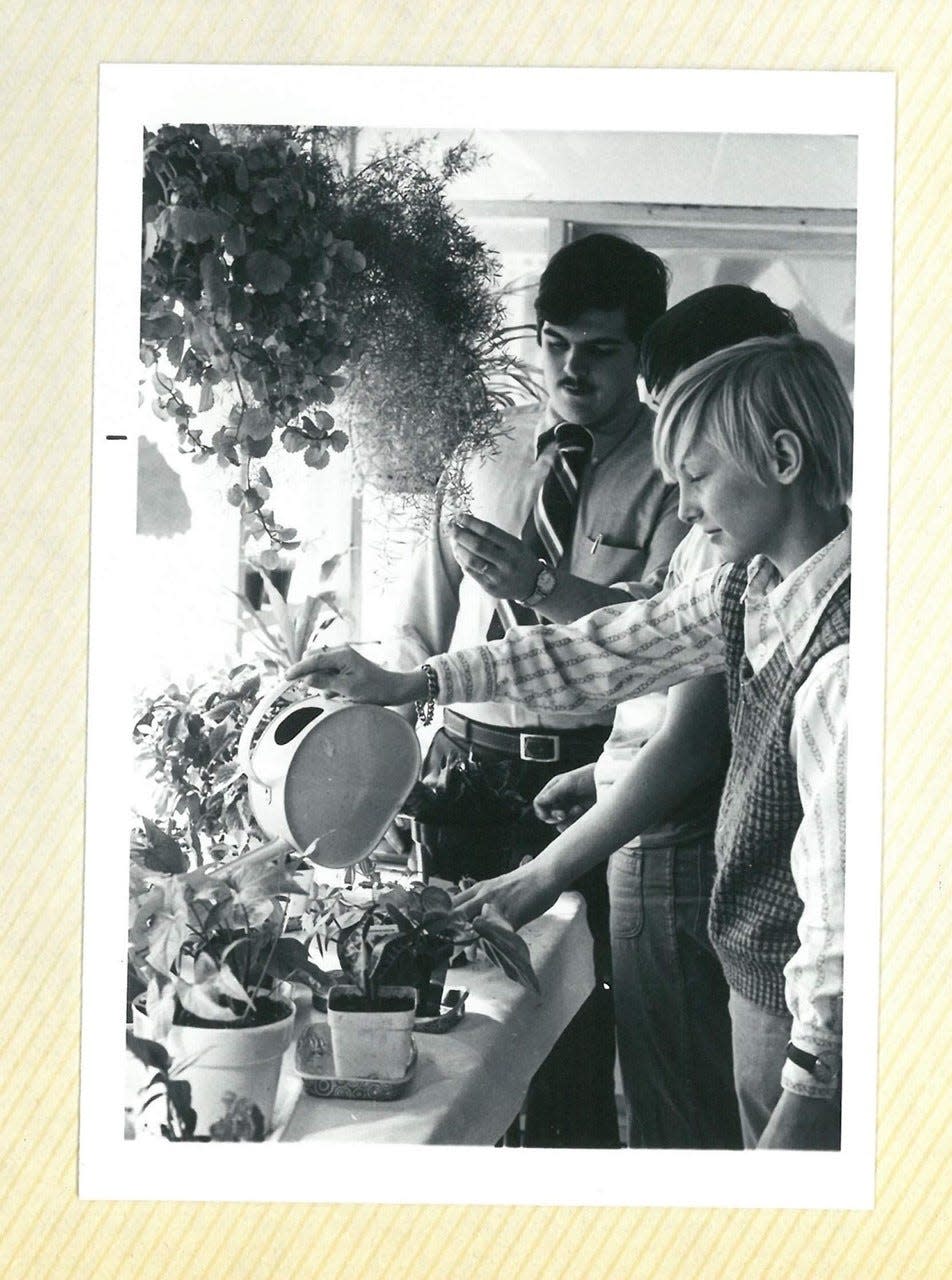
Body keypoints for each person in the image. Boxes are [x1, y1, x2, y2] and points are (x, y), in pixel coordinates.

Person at [289, 334, 852, 1150]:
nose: (686, 508)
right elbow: (602, 647)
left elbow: (842, 916)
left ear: (786, 459)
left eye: (698, 478)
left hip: (805, 1021)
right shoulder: (752, 587)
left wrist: (809, 1085)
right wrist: (418, 683)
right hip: (764, 979)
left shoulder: (845, 656)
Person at [449, 285, 797, 1150]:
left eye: (686, 433)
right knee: (662, 1100)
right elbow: (629, 634)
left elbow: (686, 735)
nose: (676, 482)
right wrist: (594, 768)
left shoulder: (753, 550)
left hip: (682, 855)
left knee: (680, 1124)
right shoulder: (712, 533)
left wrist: (537, 878)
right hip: (653, 835)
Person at [376, 233, 682, 1148]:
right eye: (554, 342)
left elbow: (664, 634)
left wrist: (543, 587)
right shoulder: (485, 446)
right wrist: (390, 750)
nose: (571, 368)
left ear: (644, 352)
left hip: (589, 780)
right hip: (463, 767)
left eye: (600, 349)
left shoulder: (680, 469)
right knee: (447, 1024)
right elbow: (421, 617)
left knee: (573, 1040)